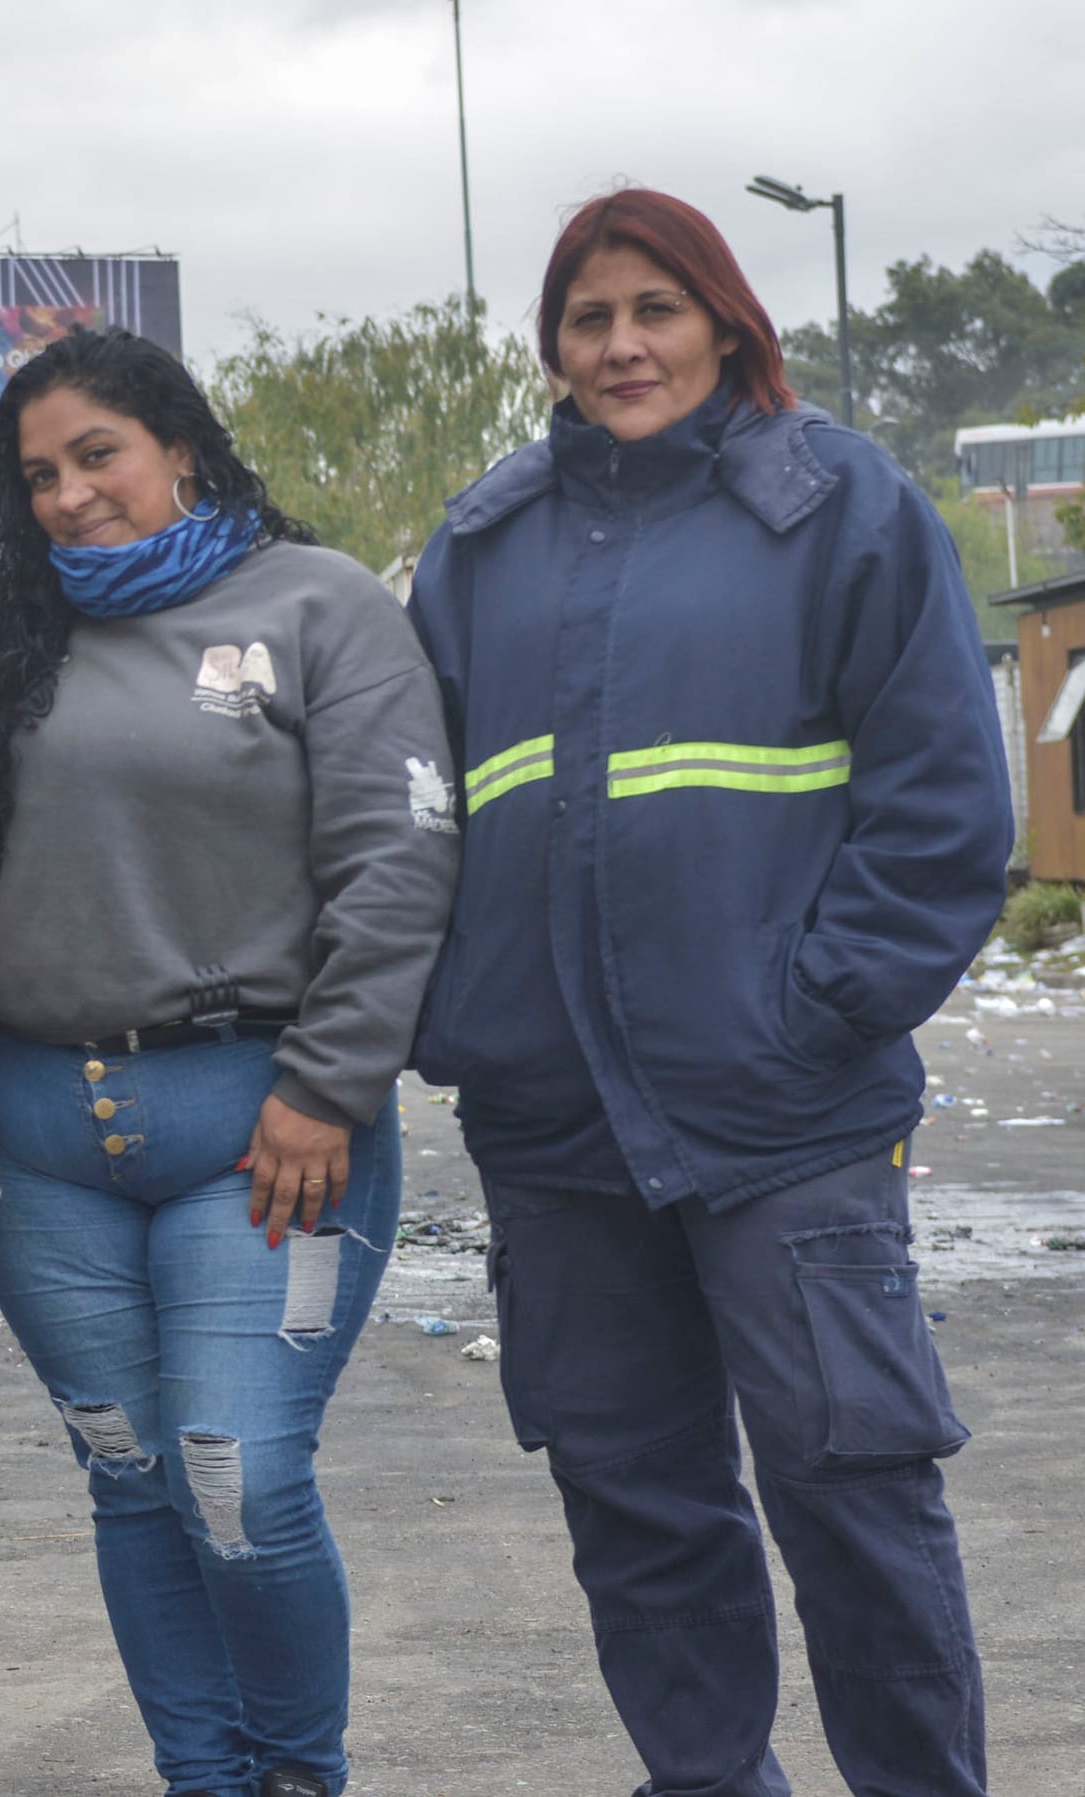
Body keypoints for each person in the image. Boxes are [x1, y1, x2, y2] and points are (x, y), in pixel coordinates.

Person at [408, 189, 1011, 1797]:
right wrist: (459, 1022)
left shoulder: (841, 510)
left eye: (655, 310)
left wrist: (818, 1009)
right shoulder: (480, 547)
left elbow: (947, 804)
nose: (621, 346)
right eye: (589, 317)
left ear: (727, 322)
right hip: (555, 1128)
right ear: (552, 345)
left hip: (786, 1116)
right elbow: (409, 816)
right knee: (639, 1509)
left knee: (854, 1497)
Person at [0, 328, 457, 1797]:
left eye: (98, 453)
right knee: (131, 1476)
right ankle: (199, 1778)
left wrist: (330, 1082)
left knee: (240, 1475)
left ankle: (297, 1775)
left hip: (265, 1128)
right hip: (35, 1137)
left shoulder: (320, 605)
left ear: (180, 444)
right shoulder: (2, 637)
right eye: (37, 475)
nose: (72, 496)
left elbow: (398, 862)